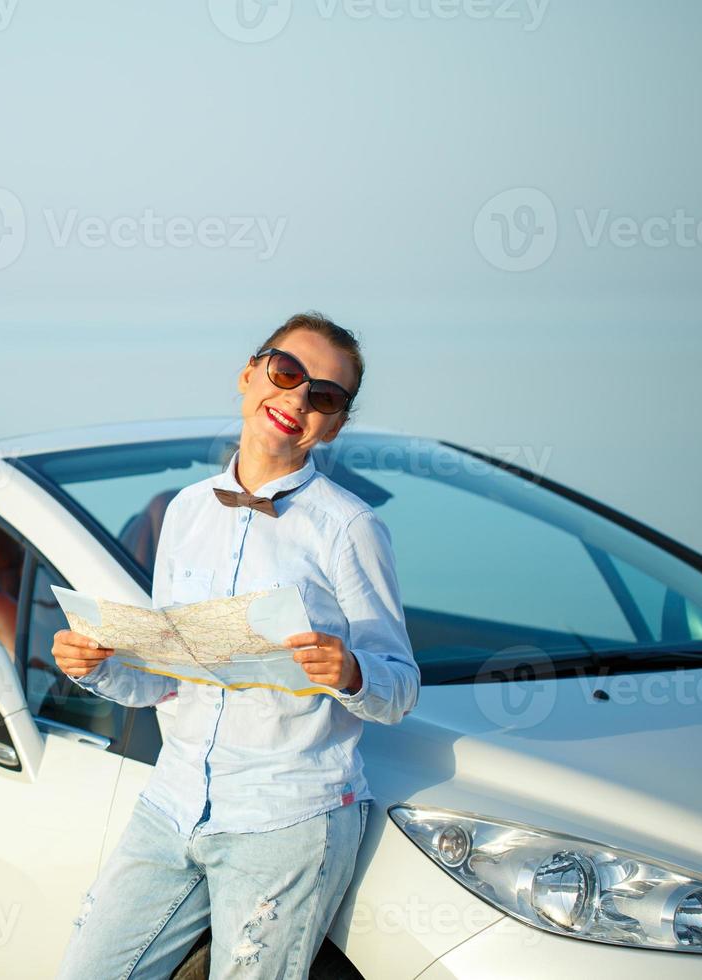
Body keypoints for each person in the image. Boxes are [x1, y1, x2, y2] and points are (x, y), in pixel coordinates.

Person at [50, 312, 420, 980]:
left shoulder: (351, 528)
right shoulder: (185, 511)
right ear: (250, 374)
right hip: (174, 800)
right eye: (286, 373)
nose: (299, 399)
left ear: (333, 425)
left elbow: (398, 688)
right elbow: (170, 675)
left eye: (325, 397)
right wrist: (99, 668)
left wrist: (353, 671)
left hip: (287, 819)